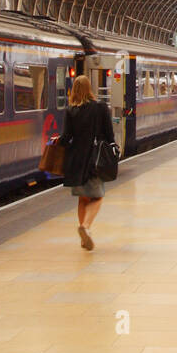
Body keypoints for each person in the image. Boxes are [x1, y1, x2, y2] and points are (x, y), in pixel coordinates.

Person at [59, 75, 114, 250]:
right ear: (89, 88)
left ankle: (84, 239)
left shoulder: (70, 110)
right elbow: (109, 134)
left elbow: (66, 137)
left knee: (83, 198)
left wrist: (56, 141)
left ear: (74, 90)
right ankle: (86, 227)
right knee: (97, 197)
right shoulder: (101, 108)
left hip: (76, 160)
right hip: (95, 159)